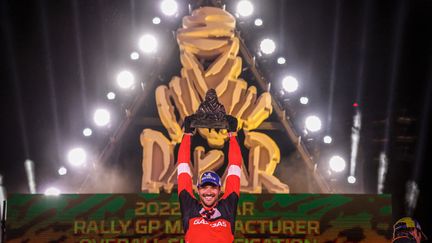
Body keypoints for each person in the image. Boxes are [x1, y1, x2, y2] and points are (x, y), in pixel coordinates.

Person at [177, 115, 241, 243]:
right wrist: (187, 134)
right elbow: (183, 167)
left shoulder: (227, 206)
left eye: (213, 187)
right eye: (204, 187)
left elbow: (235, 167)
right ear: (198, 190)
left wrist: (233, 135)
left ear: (219, 190)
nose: (208, 192)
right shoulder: (190, 207)